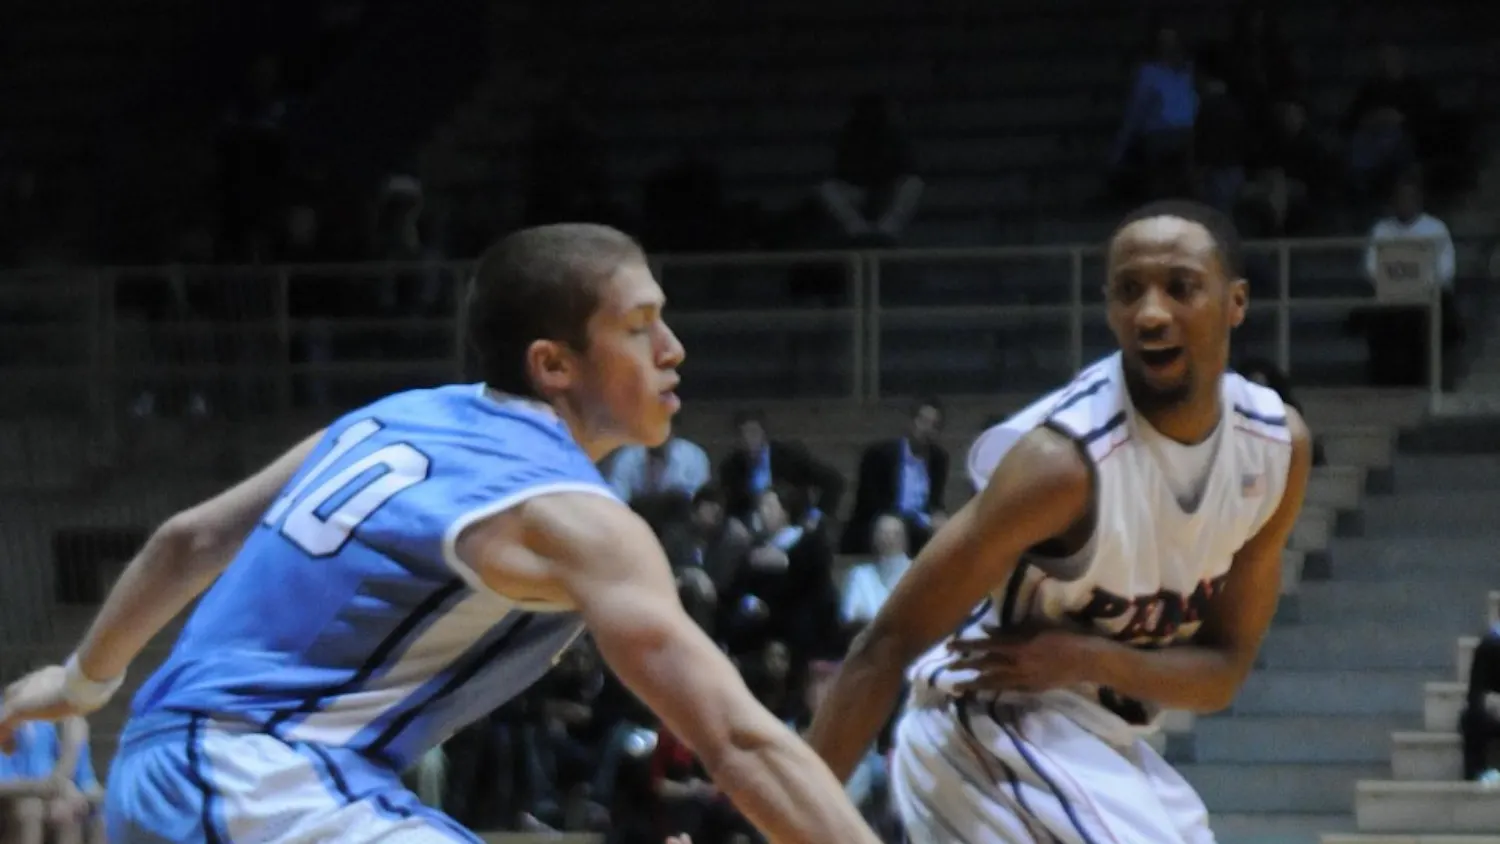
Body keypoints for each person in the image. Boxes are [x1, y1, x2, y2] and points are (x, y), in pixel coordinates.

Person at [0, 223, 880, 844]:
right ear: (553, 363)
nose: (673, 348)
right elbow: (739, 740)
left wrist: (80, 683)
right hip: (259, 777)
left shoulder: (392, 418)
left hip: (175, 772)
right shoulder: (569, 514)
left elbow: (187, 542)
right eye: (639, 326)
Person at [807, 201, 1313, 843]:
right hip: (986, 722)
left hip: (1101, 742)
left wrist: (1084, 656)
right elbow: (885, 644)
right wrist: (788, 821)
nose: (1150, 313)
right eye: (1128, 291)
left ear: (1236, 303)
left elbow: (1221, 672)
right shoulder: (1063, 465)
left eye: (1180, 287)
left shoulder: (1275, 450)